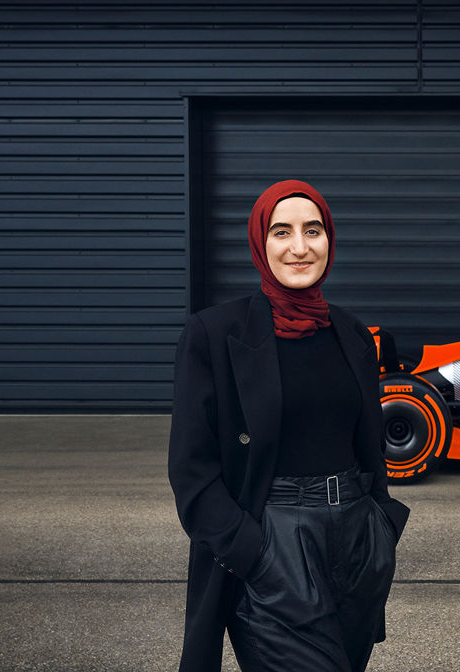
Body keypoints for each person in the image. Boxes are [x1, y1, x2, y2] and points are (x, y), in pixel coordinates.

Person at [168, 179, 410, 672]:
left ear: (330, 240)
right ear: (260, 242)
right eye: (282, 232)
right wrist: (252, 552)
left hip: (356, 544)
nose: (300, 247)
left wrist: (381, 524)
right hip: (274, 540)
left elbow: (366, 448)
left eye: (313, 230)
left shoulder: (353, 333)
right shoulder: (214, 334)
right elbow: (191, 470)